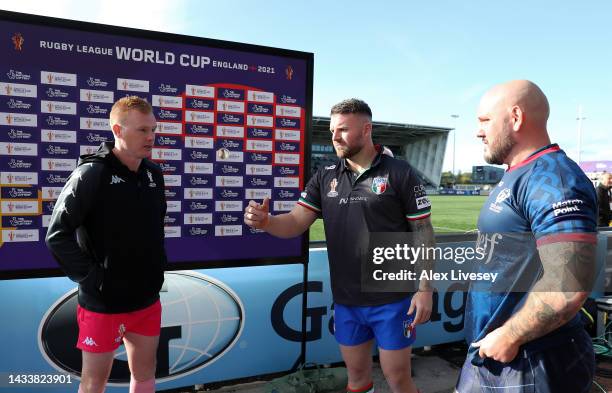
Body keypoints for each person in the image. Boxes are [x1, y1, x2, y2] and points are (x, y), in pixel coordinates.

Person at [245, 98, 434, 393]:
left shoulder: (400, 173)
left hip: (393, 299)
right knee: (356, 377)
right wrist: (268, 222)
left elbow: (422, 231)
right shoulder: (326, 175)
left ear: (367, 129)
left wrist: (424, 289)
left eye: (343, 129)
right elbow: (296, 221)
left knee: (398, 378)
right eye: (333, 130)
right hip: (347, 300)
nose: (334, 136)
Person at [455, 80, 598, 393]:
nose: (478, 132)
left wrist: (510, 336)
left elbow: (567, 283)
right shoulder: (519, 172)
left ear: (516, 117)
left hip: (531, 361)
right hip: (495, 354)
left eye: (484, 121)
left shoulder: (554, 179)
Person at [45, 96, 166, 393]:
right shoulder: (92, 173)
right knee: (94, 382)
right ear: (118, 130)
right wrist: (94, 279)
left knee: (145, 374)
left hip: (146, 300)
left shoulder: (153, 174)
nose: (150, 137)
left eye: (153, 129)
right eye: (142, 130)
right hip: (103, 305)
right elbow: (57, 235)